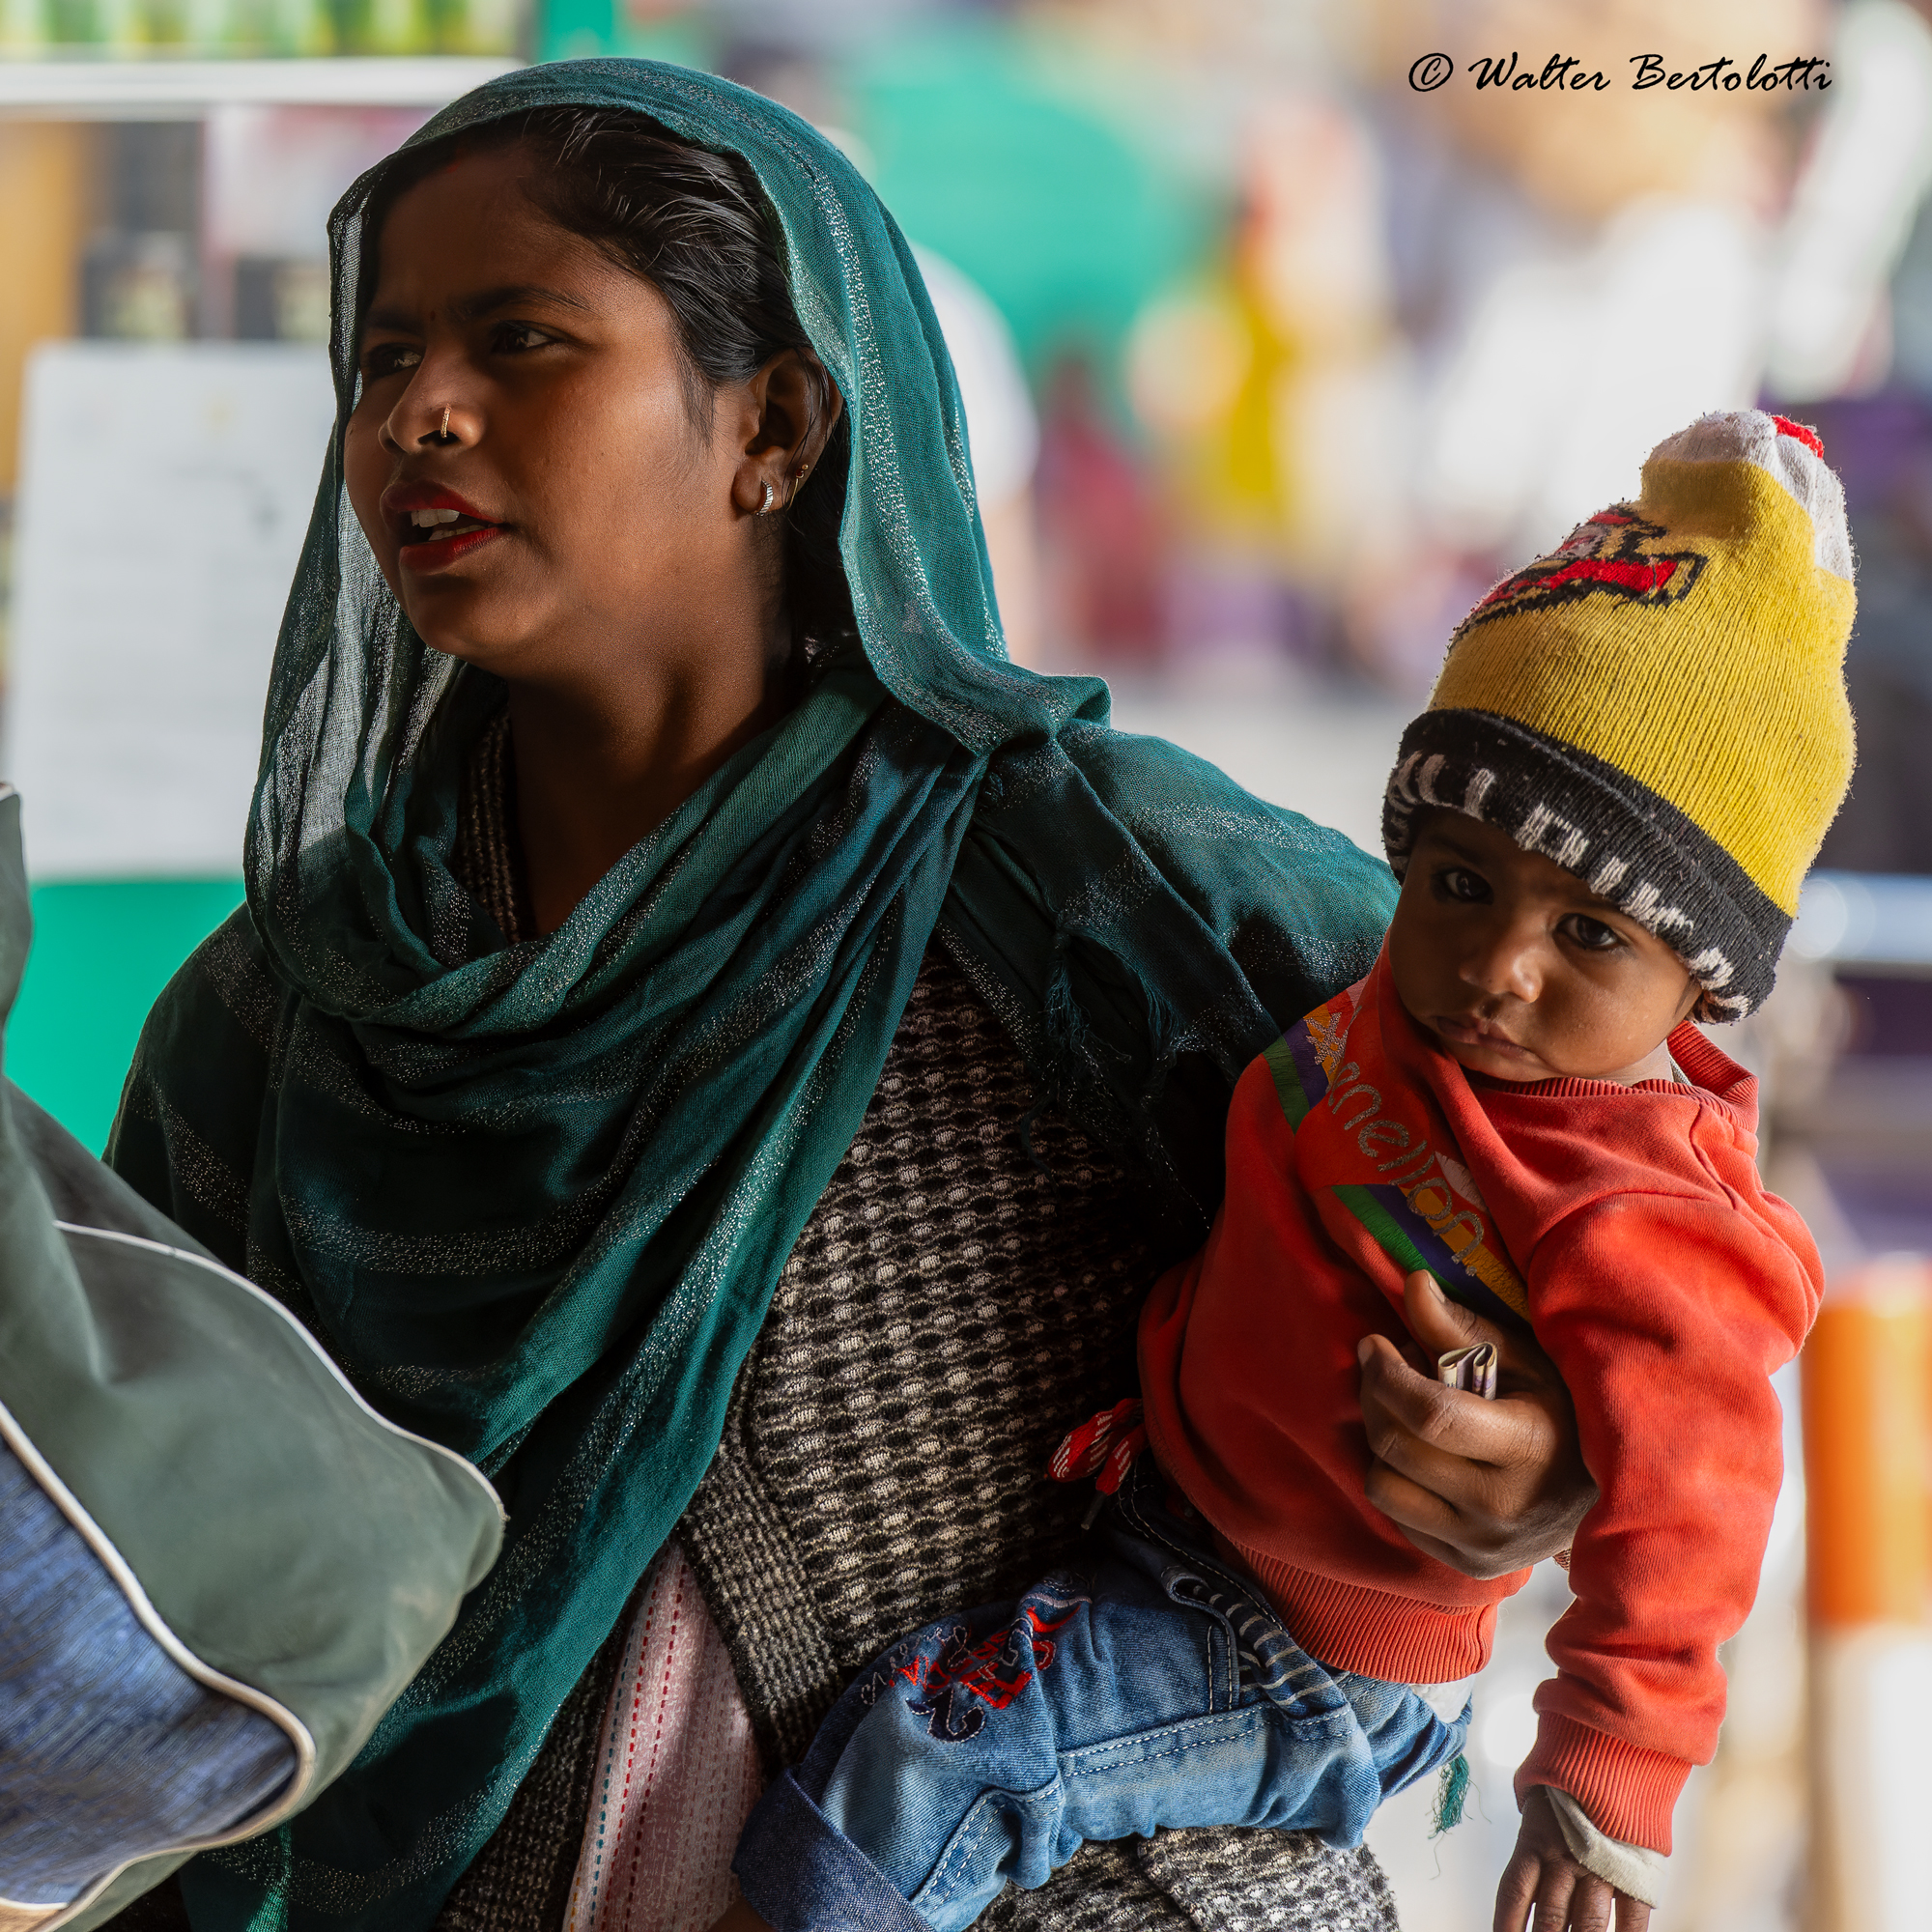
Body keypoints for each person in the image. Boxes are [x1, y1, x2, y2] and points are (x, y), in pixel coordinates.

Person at [94, 64, 1595, 1932]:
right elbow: (138, 1591)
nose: (423, 412)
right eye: (382, 360)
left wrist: (1535, 1445)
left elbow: (1604, 1174)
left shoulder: (1092, 894)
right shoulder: (286, 1017)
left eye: (522, 340)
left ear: (777, 423)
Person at [722, 410, 1850, 1932]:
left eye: (1593, 933)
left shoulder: (1647, 1210)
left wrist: (1603, 1783)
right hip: (1176, 1524)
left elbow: (1698, 1509)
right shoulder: (1397, 997)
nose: (1500, 966)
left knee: (933, 1762)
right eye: (1459, 883)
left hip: (1301, 1654)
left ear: (1701, 981)